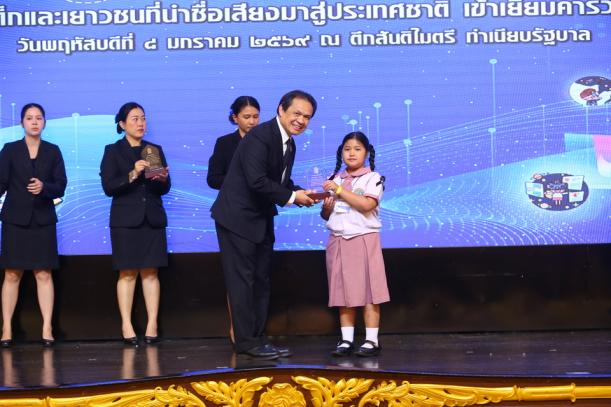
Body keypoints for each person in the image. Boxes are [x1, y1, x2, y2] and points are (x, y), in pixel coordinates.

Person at [211, 90, 318, 359]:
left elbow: (279, 183)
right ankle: (246, 342)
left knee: (260, 280)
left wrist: (301, 193)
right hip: (237, 219)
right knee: (243, 282)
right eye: (296, 113)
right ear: (281, 109)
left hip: (260, 218)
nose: (301, 120)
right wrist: (292, 197)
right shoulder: (260, 136)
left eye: (307, 117)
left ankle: (258, 339)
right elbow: (257, 181)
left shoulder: (289, 143)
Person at [100, 102, 170, 346]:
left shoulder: (153, 150)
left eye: (143, 118)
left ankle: (152, 324)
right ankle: (126, 324)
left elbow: (163, 189)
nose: (141, 123)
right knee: (127, 273)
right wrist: (133, 173)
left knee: (151, 272)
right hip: (125, 221)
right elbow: (109, 187)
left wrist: (161, 177)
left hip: (152, 218)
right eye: (135, 119)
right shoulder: (113, 151)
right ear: (122, 124)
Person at [0, 103, 67, 347]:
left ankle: (47, 328)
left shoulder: (53, 151)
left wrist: (44, 187)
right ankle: (7, 328)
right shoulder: (9, 150)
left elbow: (61, 185)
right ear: (22, 123)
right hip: (15, 219)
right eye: (29, 118)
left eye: (39, 118)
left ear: (44, 122)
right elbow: (1, 183)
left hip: (43, 219)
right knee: (12, 273)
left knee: (43, 273)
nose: (35, 122)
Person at [320, 131, 389, 357]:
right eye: (347, 149)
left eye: (357, 149)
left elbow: (367, 205)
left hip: (363, 238)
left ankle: (371, 340)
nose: (351, 153)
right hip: (338, 239)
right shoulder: (335, 178)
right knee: (343, 291)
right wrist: (326, 207)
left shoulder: (373, 178)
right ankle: (346, 340)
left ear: (366, 153)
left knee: (370, 292)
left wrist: (339, 190)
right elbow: (327, 214)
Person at [207, 96, 261, 344]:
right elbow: (212, 179)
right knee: (238, 277)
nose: (252, 122)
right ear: (234, 118)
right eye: (246, 117)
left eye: (255, 116)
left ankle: (255, 333)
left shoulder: (265, 142)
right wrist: (241, 180)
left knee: (258, 278)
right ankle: (239, 331)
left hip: (259, 215)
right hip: (233, 216)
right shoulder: (225, 143)